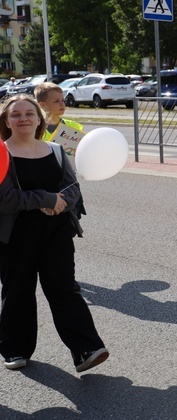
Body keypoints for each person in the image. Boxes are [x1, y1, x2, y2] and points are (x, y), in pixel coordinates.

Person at [0, 94, 108, 373]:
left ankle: (86, 349)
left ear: (39, 119)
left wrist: (61, 203)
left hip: (57, 231)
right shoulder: (2, 154)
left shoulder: (56, 150)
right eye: (15, 114)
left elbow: (73, 189)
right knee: (18, 291)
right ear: (6, 121)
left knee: (64, 288)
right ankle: (15, 349)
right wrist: (47, 200)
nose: (23, 118)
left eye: (29, 113)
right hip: (15, 235)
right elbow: (6, 199)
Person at [34, 82, 86, 292]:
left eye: (63, 100)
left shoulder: (73, 127)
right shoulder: (35, 128)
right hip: (42, 190)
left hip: (68, 187)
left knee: (66, 235)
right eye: (56, 101)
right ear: (42, 105)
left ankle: (67, 277)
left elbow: (82, 153)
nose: (62, 104)